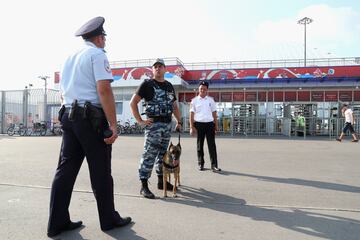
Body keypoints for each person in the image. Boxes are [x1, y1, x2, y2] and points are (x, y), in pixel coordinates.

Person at [47, 16, 131, 237]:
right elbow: (103, 89)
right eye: (104, 37)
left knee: (65, 170)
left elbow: (64, 91)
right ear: (99, 37)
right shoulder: (97, 54)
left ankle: (57, 222)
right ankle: (108, 220)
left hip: (69, 115)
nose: (105, 41)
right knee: (101, 170)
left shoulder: (69, 57)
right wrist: (113, 124)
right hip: (90, 117)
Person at [130, 58, 182, 199]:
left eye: (160, 66)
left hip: (166, 125)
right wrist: (141, 121)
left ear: (165, 69)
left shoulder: (169, 86)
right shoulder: (147, 84)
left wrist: (179, 121)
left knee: (163, 155)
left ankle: (161, 182)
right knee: (149, 155)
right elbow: (133, 103)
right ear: (152, 70)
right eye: (155, 67)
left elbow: (174, 106)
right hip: (153, 126)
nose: (158, 68)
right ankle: (144, 186)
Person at [189, 81, 221, 172]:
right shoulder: (194, 100)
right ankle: (200, 164)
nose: (202, 90)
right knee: (200, 145)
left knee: (212, 145)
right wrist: (191, 127)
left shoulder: (211, 100)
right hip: (198, 125)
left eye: (204, 89)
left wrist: (216, 126)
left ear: (207, 90)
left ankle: (214, 165)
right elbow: (191, 114)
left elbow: (214, 113)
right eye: (201, 89)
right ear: (198, 89)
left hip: (210, 124)